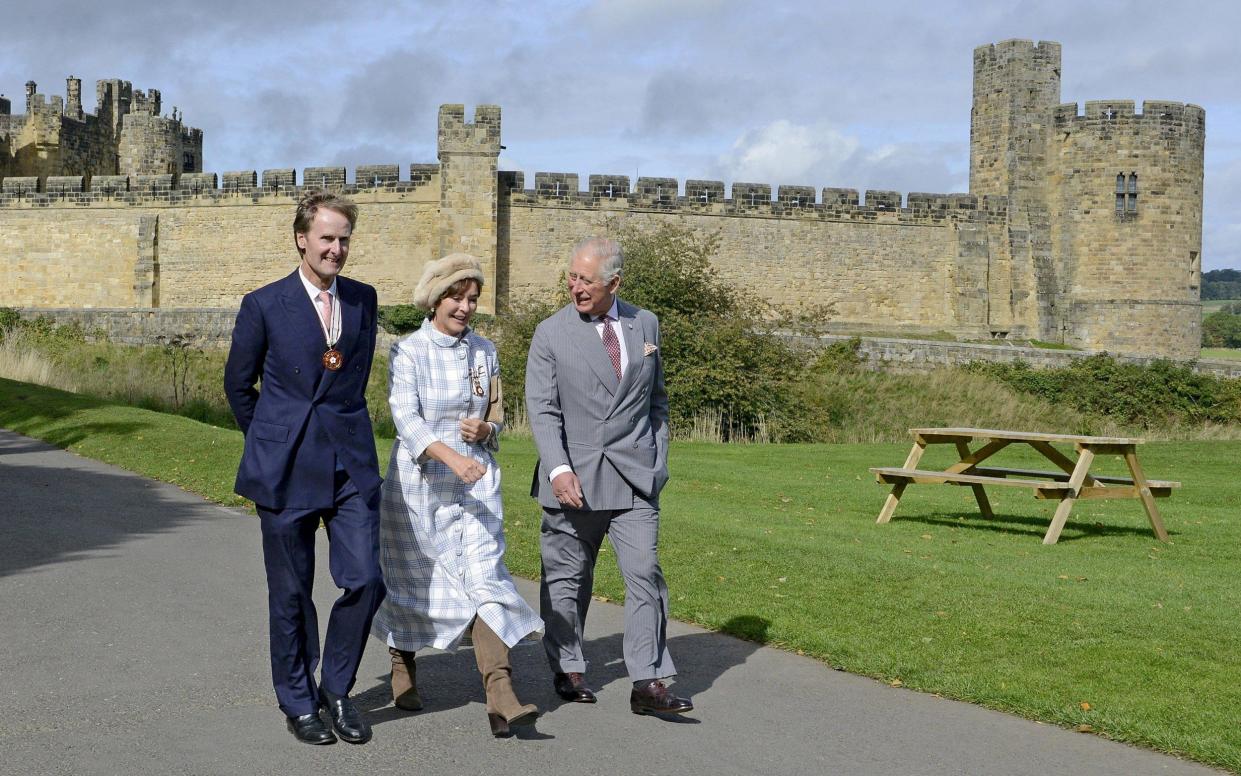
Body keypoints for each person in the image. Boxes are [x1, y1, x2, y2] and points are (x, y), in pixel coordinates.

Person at [224, 190, 385, 746]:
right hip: (285, 468)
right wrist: (272, 438)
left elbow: (353, 382)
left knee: (366, 579)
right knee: (291, 593)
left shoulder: (364, 300)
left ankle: (336, 690)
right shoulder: (264, 304)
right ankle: (298, 701)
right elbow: (238, 386)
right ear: (302, 238)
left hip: (349, 466)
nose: (336, 249)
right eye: (327, 237)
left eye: (343, 239)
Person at [370, 253, 543, 738]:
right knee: (414, 585)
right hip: (420, 489)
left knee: (487, 580)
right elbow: (406, 420)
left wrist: (487, 427)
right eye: (456, 297)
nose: (465, 308)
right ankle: (401, 663)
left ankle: (500, 691)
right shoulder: (408, 353)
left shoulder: (485, 352)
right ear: (434, 298)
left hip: (476, 489)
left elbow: (498, 413)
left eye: (472, 299)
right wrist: (451, 456)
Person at [525, 236, 693, 715]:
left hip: (636, 477)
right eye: (572, 277)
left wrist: (658, 460)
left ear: (614, 282)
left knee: (644, 574)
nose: (575, 287)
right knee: (568, 577)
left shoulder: (646, 323)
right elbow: (542, 409)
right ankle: (568, 664)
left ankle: (649, 682)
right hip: (573, 475)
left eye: (586, 280)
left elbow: (656, 401)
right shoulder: (550, 333)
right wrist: (558, 469)